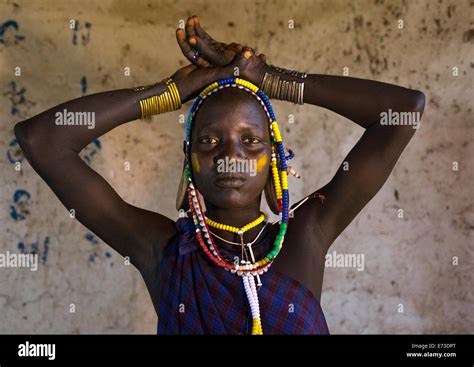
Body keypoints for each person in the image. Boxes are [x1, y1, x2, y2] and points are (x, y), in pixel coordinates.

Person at [14, 15, 425, 334]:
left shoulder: (307, 233)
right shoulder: (163, 252)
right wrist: (167, 94)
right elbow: (41, 140)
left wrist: (272, 80)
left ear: (275, 161)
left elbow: (404, 111)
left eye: (252, 142)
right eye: (210, 142)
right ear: (189, 161)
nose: (232, 155)